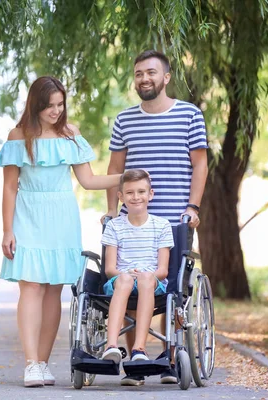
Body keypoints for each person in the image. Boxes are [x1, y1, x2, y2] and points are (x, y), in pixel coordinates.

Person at [0, 76, 122, 388]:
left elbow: (89, 181)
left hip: (62, 215)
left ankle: (43, 363)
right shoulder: (18, 135)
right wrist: (7, 230)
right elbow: (10, 188)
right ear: (35, 105)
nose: (55, 111)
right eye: (49, 105)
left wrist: (126, 177)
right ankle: (30, 364)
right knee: (31, 287)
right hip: (28, 215)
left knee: (54, 289)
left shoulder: (70, 134)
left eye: (60, 104)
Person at [102, 49, 208, 385]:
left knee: (173, 286)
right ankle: (137, 359)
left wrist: (193, 207)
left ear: (166, 77)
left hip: (175, 218)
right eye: (138, 74)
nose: (144, 79)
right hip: (131, 215)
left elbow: (200, 164)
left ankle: (171, 355)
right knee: (131, 283)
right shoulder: (124, 120)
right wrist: (109, 212)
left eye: (151, 72)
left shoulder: (190, 114)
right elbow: (115, 171)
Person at [100, 169, 174, 385]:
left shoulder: (162, 226)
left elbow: (163, 270)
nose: (136, 196)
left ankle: (139, 349)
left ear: (150, 194)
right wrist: (126, 274)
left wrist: (145, 275)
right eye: (130, 192)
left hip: (152, 282)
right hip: (121, 281)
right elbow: (110, 269)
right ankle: (111, 346)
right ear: (121, 196)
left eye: (141, 191)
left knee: (145, 279)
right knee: (124, 279)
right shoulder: (114, 226)